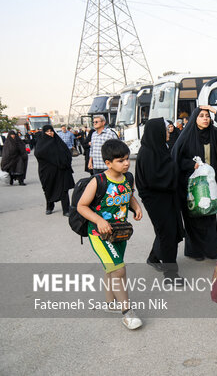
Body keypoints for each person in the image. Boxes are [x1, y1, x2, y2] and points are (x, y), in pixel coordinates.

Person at [77, 139, 144, 330]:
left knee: (112, 269)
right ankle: (127, 312)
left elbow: (129, 194)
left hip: (119, 234)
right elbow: (82, 206)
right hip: (99, 234)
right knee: (119, 270)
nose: (126, 163)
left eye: (126, 159)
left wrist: (136, 206)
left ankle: (110, 304)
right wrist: (98, 220)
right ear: (108, 163)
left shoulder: (127, 177)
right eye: (120, 160)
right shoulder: (97, 181)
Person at [172, 105, 217, 260]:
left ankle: (212, 249)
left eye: (207, 116)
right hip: (191, 183)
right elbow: (176, 157)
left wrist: (214, 110)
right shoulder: (187, 136)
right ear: (195, 119)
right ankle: (194, 250)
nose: (205, 119)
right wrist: (191, 165)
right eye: (201, 116)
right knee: (193, 215)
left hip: (209, 183)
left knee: (209, 213)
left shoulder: (213, 133)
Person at [136, 118, 185, 283]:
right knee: (167, 234)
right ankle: (170, 275)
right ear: (156, 132)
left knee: (167, 231)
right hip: (157, 200)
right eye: (164, 130)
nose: (168, 132)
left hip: (166, 198)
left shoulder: (157, 148)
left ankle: (153, 258)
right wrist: (175, 168)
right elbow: (156, 179)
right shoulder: (148, 153)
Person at [34, 125, 75, 216]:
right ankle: (49, 206)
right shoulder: (41, 144)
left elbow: (67, 153)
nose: (50, 133)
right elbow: (38, 154)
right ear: (44, 133)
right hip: (47, 172)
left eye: (51, 131)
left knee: (64, 190)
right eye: (47, 131)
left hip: (61, 170)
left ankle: (66, 209)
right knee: (48, 189)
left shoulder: (58, 142)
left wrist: (64, 162)